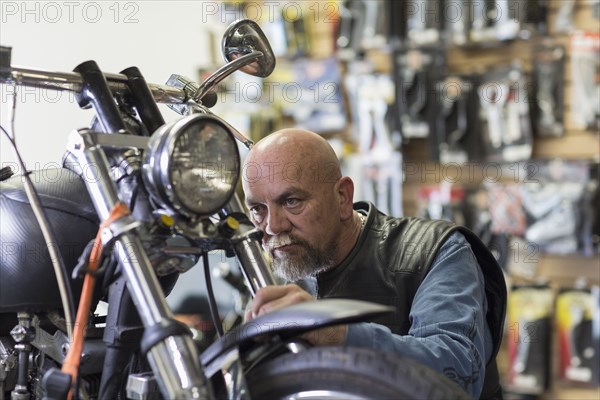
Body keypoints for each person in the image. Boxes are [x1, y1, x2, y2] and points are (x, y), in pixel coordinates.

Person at [241, 128, 507, 399]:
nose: (272, 226)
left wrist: (335, 333)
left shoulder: (434, 251)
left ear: (343, 197)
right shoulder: (280, 276)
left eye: (292, 201)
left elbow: (458, 375)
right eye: (257, 209)